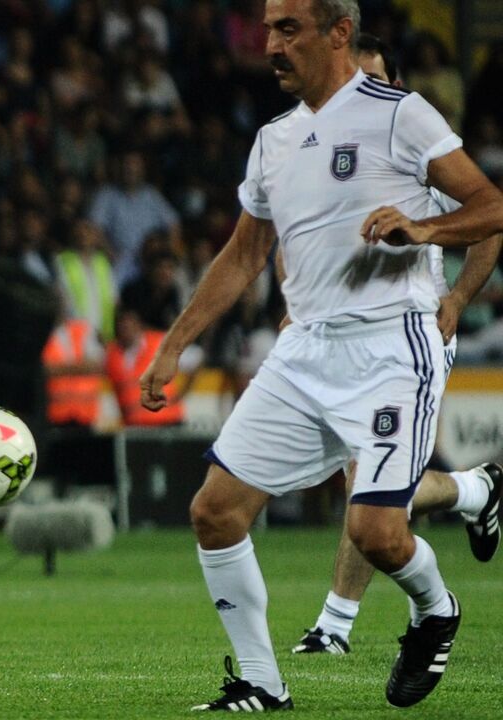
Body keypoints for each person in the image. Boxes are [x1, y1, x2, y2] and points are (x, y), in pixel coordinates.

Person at [137, 0, 503, 711]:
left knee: (375, 532)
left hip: (392, 345)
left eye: (287, 30)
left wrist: (423, 230)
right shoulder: (275, 138)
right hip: (304, 348)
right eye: (268, 29)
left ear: (339, 32)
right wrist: (173, 345)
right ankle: (260, 683)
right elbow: (244, 255)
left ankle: (435, 608)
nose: (270, 44)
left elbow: (491, 204)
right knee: (215, 511)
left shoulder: (401, 114)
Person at [289, 32, 503, 657]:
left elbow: (489, 219)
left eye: (374, 83)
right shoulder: (322, 149)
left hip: (411, 335)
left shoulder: (415, 149)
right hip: (341, 337)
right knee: (377, 488)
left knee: (370, 484)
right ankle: (476, 490)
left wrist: (458, 299)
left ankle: (335, 624)